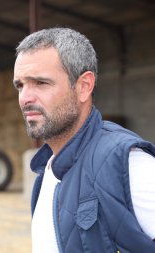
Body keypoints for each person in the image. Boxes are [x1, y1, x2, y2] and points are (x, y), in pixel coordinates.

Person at [13, 27, 155, 253]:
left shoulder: (128, 164)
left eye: (40, 83)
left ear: (84, 86)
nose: (25, 98)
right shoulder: (45, 175)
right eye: (20, 85)